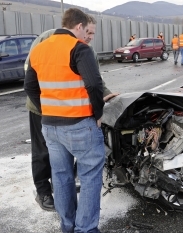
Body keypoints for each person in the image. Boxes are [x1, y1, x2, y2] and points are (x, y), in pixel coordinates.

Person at [24, 15, 117, 213]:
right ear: (79, 26)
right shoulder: (47, 40)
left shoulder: (85, 47)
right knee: (42, 153)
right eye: (88, 32)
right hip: (43, 108)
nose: (90, 36)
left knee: (63, 167)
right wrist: (47, 108)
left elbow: (94, 80)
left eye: (93, 33)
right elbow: (30, 75)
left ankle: (66, 209)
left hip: (62, 113)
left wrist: (107, 95)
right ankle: (43, 192)